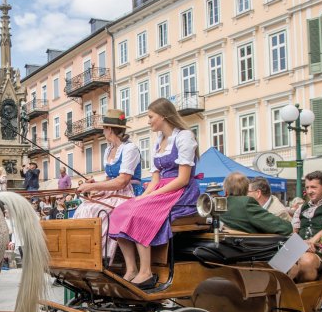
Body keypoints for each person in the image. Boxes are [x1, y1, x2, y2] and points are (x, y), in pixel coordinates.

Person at [107, 98, 200, 289]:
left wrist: (150, 197)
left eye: (151, 117)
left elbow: (183, 179)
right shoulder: (159, 141)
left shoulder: (184, 137)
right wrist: (143, 196)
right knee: (120, 211)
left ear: (163, 116)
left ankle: (146, 271)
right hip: (162, 188)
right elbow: (155, 180)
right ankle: (131, 268)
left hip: (180, 191)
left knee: (140, 213)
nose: (148, 121)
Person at [74, 110, 141, 260]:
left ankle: (102, 255)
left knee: (99, 211)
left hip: (129, 193)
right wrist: (96, 183)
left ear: (109, 129)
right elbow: (109, 178)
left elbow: (122, 181)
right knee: (84, 208)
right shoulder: (109, 149)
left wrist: (92, 187)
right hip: (114, 192)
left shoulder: (130, 149)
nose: (103, 131)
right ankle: (85, 252)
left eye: (104, 128)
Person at [220, 173, 292, 235]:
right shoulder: (246, 203)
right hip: (251, 249)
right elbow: (286, 228)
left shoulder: (219, 204)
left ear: (226, 190)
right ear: (245, 189)